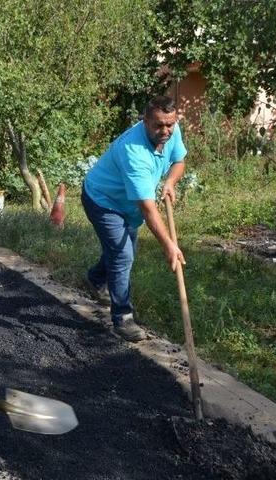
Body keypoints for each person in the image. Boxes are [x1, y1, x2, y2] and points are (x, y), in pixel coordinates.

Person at [81, 95, 186, 342]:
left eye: (169, 124)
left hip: (128, 204)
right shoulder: (133, 151)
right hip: (103, 200)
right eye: (158, 125)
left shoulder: (172, 130)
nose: (165, 130)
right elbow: (149, 209)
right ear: (145, 121)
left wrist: (170, 181)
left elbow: (179, 160)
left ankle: (95, 279)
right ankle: (122, 318)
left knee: (121, 249)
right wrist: (169, 244)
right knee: (123, 254)